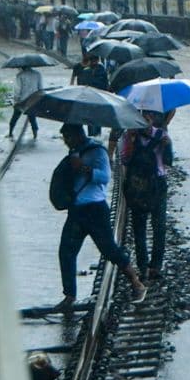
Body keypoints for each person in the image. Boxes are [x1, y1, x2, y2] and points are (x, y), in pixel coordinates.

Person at [54, 123, 147, 312]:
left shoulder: (97, 152)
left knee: (109, 250)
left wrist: (84, 168)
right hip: (76, 210)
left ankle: (137, 283)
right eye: (64, 138)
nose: (66, 142)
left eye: (68, 137)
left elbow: (105, 177)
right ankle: (69, 296)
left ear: (78, 135)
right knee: (66, 252)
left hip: (95, 209)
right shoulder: (73, 153)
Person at [119, 112, 175, 282]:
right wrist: (131, 141)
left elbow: (168, 162)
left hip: (157, 184)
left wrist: (167, 146)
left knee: (159, 226)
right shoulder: (129, 136)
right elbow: (124, 159)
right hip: (137, 186)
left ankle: (155, 266)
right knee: (139, 227)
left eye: (148, 119)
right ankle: (143, 266)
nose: (146, 122)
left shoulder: (162, 135)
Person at [75, 54, 109, 137]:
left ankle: (94, 134)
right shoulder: (93, 70)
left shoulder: (98, 70)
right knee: (94, 118)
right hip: (95, 98)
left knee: (93, 118)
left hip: (94, 98)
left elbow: (80, 84)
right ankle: (95, 134)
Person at [7, 65, 43, 139]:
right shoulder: (37, 74)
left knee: (15, 117)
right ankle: (35, 134)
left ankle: (10, 133)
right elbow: (41, 88)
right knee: (32, 118)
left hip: (22, 100)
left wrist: (16, 101)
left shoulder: (20, 75)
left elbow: (17, 90)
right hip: (33, 100)